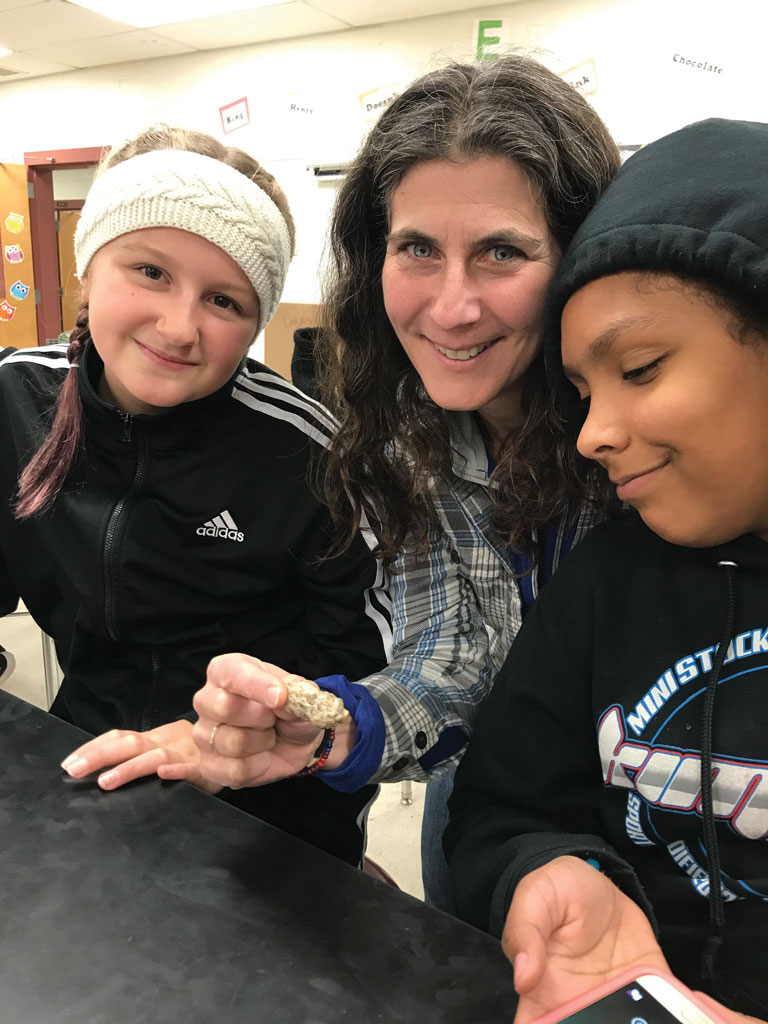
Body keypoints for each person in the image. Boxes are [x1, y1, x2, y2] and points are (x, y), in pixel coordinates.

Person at [160, 56, 620, 906]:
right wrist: (333, 723)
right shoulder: (402, 431)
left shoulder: (641, 435)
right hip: (494, 821)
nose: (450, 307)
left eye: (501, 253)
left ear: (580, 256)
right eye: (417, 248)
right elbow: (452, 658)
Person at [444, 118, 768, 1021]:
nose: (593, 434)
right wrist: (553, 870)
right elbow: (498, 809)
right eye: (585, 394)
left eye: (641, 367)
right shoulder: (610, 577)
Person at [0, 125, 391, 866]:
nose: (179, 328)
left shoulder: (313, 453)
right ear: (89, 267)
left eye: (223, 299)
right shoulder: (15, 398)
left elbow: (372, 668)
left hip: (270, 796)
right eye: (149, 271)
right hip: (92, 760)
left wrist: (249, 733)